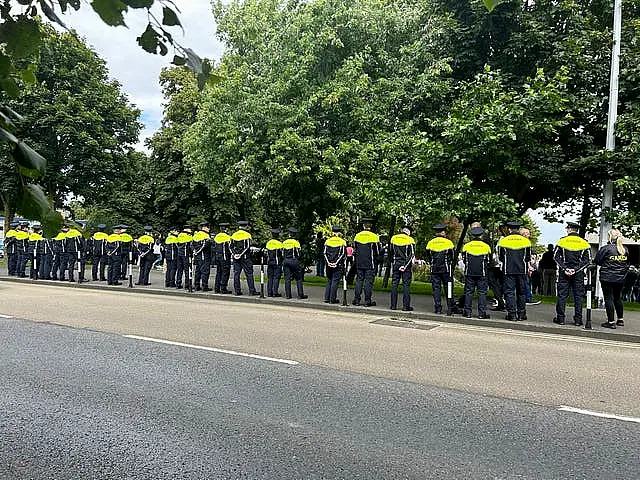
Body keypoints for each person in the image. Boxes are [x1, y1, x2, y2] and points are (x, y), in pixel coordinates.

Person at [552, 221, 591, 326]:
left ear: (569, 230)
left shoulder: (562, 241)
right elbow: (588, 260)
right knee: (578, 296)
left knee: (562, 295)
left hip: (564, 272)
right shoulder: (584, 242)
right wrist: (576, 269)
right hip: (578, 273)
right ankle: (578, 320)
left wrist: (565, 268)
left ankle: (560, 318)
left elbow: (555, 257)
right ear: (577, 230)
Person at [497, 220, 531, 321]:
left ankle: (511, 314)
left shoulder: (504, 241)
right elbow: (528, 257)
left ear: (509, 229)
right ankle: (521, 314)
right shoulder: (526, 241)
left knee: (509, 292)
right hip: (522, 270)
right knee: (522, 292)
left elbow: (501, 256)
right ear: (518, 229)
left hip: (508, 270)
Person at [595, 229, 630, 329]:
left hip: (607, 277)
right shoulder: (624, 249)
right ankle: (620, 319)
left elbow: (598, 260)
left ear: (609, 237)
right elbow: (627, 263)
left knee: (609, 298)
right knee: (617, 298)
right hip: (620, 278)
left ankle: (611, 322)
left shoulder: (606, 248)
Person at [426, 224, 458, 314]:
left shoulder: (430, 243)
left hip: (434, 269)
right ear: (443, 232)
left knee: (436, 289)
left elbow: (428, 255)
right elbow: (452, 256)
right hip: (446, 269)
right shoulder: (448, 243)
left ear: (436, 232)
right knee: (448, 288)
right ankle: (450, 308)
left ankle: (438, 308)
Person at [461, 226, 491, 319]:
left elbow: (464, 260)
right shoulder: (486, 247)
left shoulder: (466, 246)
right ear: (481, 235)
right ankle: (482, 313)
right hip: (482, 273)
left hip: (469, 272)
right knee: (482, 293)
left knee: (468, 292)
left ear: (472, 235)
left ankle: (467, 312)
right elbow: (489, 261)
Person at [352, 218, 380, 307]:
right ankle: (367, 301)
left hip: (359, 262)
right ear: (370, 226)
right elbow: (378, 251)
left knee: (359, 280)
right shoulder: (374, 237)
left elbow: (355, 249)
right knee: (368, 282)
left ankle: (356, 299)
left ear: (363, 225)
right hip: (370, 263)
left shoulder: (357, 236)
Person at [389, 225, 416, 311]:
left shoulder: (394, 238)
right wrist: (404, 266)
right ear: (408, 232)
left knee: (394, 284)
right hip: (406, 266)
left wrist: (394, 263)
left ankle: (393, 306)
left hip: (396, 264)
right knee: (406, 285)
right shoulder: (410, 240)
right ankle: (405, 306)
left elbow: (391, 252)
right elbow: (411, 254)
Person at [231, 220, 259, 296]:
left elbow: (231, 246)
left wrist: (234, 254)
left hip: (235, 257)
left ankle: (237, 291)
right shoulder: (247, 235)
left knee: (236, 274)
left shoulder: (234, 235)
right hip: (245, 257)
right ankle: (252, 291)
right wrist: (241, 254)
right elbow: (247, 246)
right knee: (249, 274)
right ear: (246, 226)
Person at [282, 227, 308, 299]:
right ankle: (300, 294)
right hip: (294, 260)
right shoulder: (296, 243)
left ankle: (288, 295)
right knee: (298, 278)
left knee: (287, 278)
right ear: (295, 235)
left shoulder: (284, 242)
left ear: (289, 234)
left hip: (286, 260)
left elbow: (282, 253)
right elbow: (299, 253)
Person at [323, 225, 347, 304]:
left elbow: (324, 253)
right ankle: (332, 299)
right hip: (338, 264)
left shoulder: (327, 241)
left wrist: (329, 263)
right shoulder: (342, 242)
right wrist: (336, 263)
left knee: (329, 280)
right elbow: (343, 254)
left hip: (328, 264)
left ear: (332, 232)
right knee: (335, 281)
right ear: (339, 232)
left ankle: (327, 298)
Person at [519, 227, 541, 306]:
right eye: (528, 233)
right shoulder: (526, 242)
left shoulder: (518, 241)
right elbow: (526, 256)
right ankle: (528, 298)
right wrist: (529, 267)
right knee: (526, 283)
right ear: (524, 234)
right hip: (524, 266)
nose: (529, 234)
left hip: (517, 266)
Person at [192, 222, 212, 291]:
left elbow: (192, 245)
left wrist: (195, 252)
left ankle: (196, 285)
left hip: (197, 256)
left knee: (198, 271)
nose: (209, 229)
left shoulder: (196, 235)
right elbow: (205, 246)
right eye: (208, 227)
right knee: (205, 271)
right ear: (205, 228)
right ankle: (204, 286)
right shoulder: (206, 236)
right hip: (204, 256)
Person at [213, 222, 232, 294]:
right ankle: (223, 288)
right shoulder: (227, 237)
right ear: (226, 229)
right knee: (225, 273)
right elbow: (230, 248)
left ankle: (216, 288)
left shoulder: (217, 236)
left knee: (218, 272)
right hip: (225, 257)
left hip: (217, 257)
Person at [265, 228, 284, 297]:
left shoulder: (268, 243)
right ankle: (275, 292)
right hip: (277, 262)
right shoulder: (279, 244)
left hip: (269, 262)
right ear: (278, 235)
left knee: (270, 278)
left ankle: (269, 292)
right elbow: (282, 253)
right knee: (276, 277)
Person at [176, 225, 193, 290]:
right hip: (186, 255)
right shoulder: (188, 236)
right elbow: (191, 245)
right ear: (187, 229)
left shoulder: (180, 235)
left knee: (179, 270)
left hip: (179, 254)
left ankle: (178, 284)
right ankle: (187, 285)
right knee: (187, 270)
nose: (191, 231)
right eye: (190, 229)